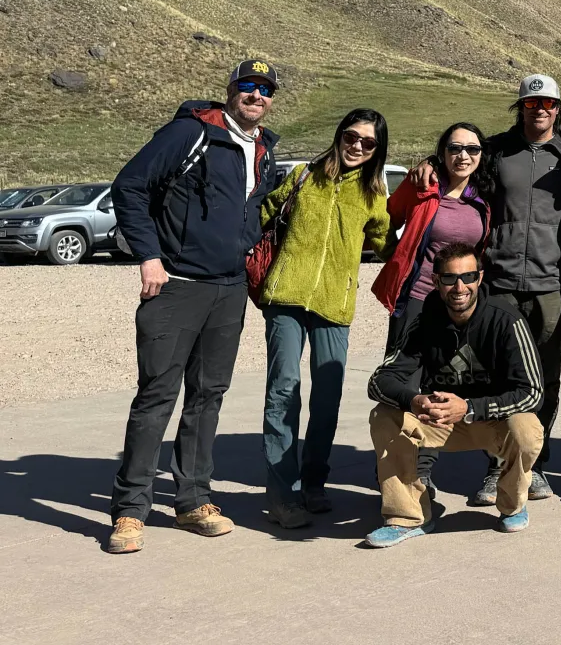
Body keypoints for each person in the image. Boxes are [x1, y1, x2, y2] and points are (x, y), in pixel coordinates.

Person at [106, 60, 280, 553]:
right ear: (230, 90)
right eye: (247, 86)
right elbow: (130, 186)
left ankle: (192, 500)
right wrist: (149, 257)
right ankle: (130, 510)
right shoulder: (191, 134)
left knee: (207, 396)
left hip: (228, 290)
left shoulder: (264, 149)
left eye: (265, 90)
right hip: (177, 284)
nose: (255, 95)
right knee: (157, 395)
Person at [405, 74, 561, 504]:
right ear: (520, 107)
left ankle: (535, 466)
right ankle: (495, 469)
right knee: (495, 376)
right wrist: (429, 165)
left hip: (551, 286)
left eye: (547, 103)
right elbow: (459, 165)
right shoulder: (495, 151)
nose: (539, 110)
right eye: (530, 104)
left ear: (558, 108)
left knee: (545, 377)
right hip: (501, 284)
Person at [258, 109, 392, 528]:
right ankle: (283, 494)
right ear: (340, 135)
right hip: (285, 297)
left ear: (376, 151)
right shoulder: (302, 175)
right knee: (283, 391)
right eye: (352, 136)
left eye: (368, 143)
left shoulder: (372, 195)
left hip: (335, 305)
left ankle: (314, 483)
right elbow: (263, 214)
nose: (357, 146)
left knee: (327, 397)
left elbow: (386, 244)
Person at [365, 242, 544, 547]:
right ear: (435, 281)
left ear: (480, 278)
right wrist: (414, 399)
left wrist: (471, 407)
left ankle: (512, 505)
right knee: (383, 416)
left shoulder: (506, 320)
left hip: (492, 421)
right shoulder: (424, 321)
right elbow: (379, 381)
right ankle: (407, 517)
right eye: (449, 279)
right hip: (440, 421)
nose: (459, 287)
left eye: (468, 277)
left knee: (525, 427)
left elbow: (532, 392)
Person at [371, 122, 493, 490]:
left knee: (443, 382)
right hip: (418, 300)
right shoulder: (421, 186)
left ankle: (423, 467)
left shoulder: (482, 199)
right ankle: (401, 468)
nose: (464, 156)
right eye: (455, 148)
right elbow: (383, 220)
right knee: (406, 384)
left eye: (472, 149)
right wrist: (396, 258)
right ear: (441, 153)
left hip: (458, 307)